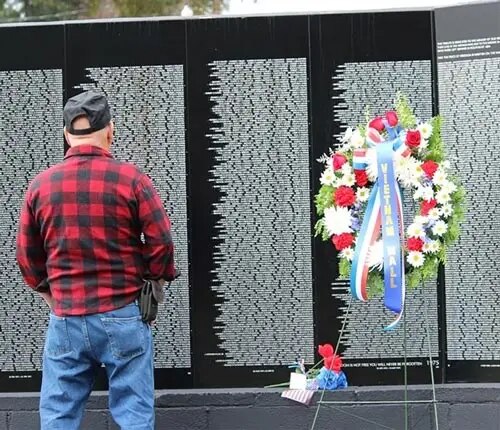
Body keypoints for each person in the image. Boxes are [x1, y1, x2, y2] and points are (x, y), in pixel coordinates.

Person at [16, 90, 176, 430]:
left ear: (66, 135)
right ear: (110, 130)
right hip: (123, 313)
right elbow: (161, 241)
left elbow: (27, 258)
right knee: (134, 414)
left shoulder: (40, 186)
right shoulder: (132, 180)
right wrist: (154, 284)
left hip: (66, 317)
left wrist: (51, 296)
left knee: (58, 415)